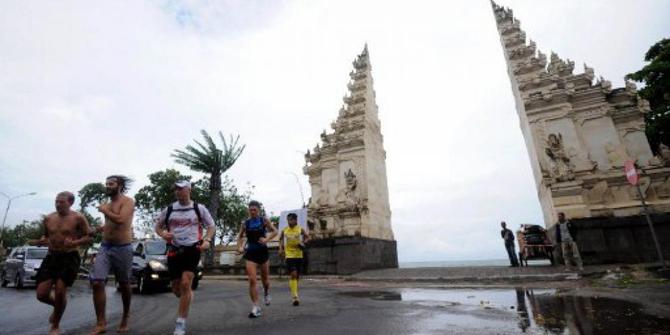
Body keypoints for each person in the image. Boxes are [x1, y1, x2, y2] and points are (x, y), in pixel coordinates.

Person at [155, 180, 215, 335]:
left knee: (186, 282)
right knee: (176, 288)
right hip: (174, 250)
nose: (178, 192)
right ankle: (186, 296)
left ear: (189, 190)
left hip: (193, 248)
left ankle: (180, 323)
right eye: (176, 189)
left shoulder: (198, 208)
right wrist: (163, 234)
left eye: (181, 189)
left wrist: (207, 240)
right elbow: (158, 227)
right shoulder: (169, 209)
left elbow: (211, 226)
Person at [30, 191, 91, 335]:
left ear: (70, 203)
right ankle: (59, 307)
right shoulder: (49, 218)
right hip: (52, 257)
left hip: (69, 257)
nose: (58, 204)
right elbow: (45, 236)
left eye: (61, 202)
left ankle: (55, 326)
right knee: (41, 294)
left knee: (60, 290)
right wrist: (41, 241)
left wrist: (74, 242)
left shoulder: (78, 218)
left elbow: (89, 237)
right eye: (56, 201)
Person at [89, 175, 135, 334]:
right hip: (105, 247)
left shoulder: (128, 201)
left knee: (124, 284)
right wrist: (96, 230)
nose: (107, 186)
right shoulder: (108, 205)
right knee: (97, 282)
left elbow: (121, 220)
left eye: (111, 183)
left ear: (119, 185)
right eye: (106, 183)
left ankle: (125, 316)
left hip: (123, 248)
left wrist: (104, 210)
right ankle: (100, 323)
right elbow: (109, 223)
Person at [236, 200, 278, 318]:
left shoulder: (264, 220)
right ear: (248, 210)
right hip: (251, 254)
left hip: (263, 253)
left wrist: (266, 240)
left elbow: (275, 231)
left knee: (265, 281)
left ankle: (266, 292)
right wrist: (239, 247)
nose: (252, 212)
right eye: (250, 210)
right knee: (252, 280)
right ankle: (255, 306)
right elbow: (239, 236)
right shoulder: (245, 223)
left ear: (258, 210)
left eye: (254, 210)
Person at [278, 212, 310, 306]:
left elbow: (308, 237)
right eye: (288, 220)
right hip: (289, 255)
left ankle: (294, 289)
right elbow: (280, 239)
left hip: (299, 255)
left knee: (297, 276)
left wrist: (303, 243)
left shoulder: (300, 229)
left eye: (291, 220)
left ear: (295, 220)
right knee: (293, 274)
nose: (289, 221)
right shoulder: (285, 230)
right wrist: (280, 249)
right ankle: (295, 297)